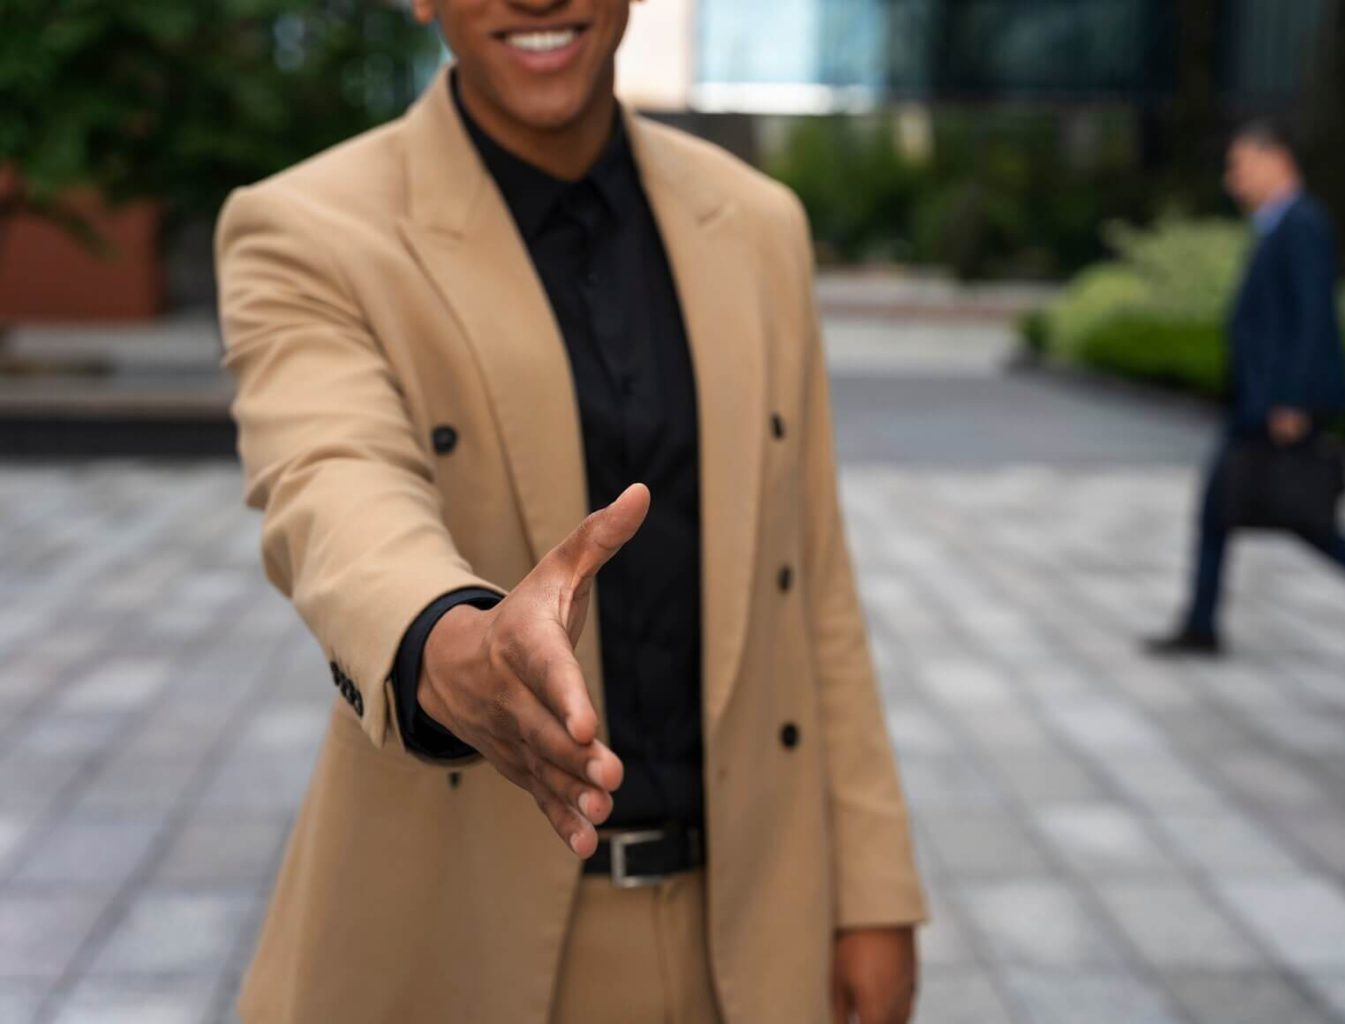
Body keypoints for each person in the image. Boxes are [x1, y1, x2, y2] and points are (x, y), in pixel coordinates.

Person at [214, 1, 926, 1021]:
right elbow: (330, 479)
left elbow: (811, 577)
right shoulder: (307, 228)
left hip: (752, 925)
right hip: (462, 931)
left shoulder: (758, 223)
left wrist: (873, 886)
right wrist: (451, 644)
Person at [1148, 119, 1345, 663]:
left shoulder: (1302, 224)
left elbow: (1313, 318)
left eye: (1240, 166)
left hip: (1279, 406)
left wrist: (1293, 400)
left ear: (1277, 160)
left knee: (1307, 523)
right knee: (1228, 514)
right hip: (1260, 402)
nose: (1233, 180)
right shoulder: (1278, 225)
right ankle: (1201, 624)